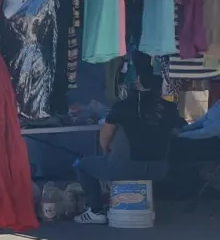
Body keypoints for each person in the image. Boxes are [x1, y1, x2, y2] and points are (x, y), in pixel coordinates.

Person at [74, 87, 185, 224]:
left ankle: (95, 211)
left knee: (82, 165)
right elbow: (176, 132)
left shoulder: (122, 106)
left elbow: (105, 137)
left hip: (125, 168)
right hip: (159, 170)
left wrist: (106, 155)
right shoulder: (171, 108)